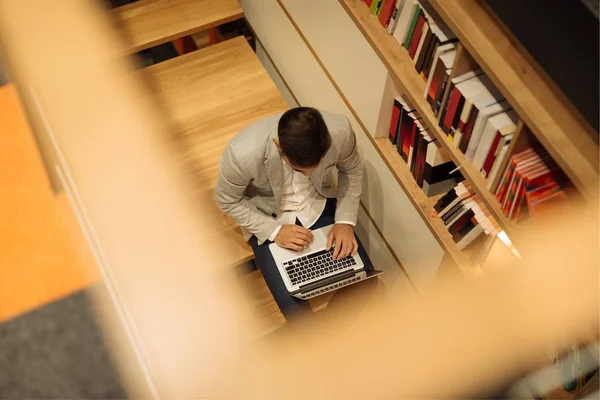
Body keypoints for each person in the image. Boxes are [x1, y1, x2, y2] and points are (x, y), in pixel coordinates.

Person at [214, 107, 375, 320]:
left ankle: (330, 336)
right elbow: (226, 199)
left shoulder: (340, 131)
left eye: (315, 167)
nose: (308, 174)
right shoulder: (242, 154)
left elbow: (351, 170)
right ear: (278, 145)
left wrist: (345, 221)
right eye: (300, 169)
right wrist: (274, 231)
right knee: (296, 314)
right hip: (268, 214)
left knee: (367, 282)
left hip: (319, 204)